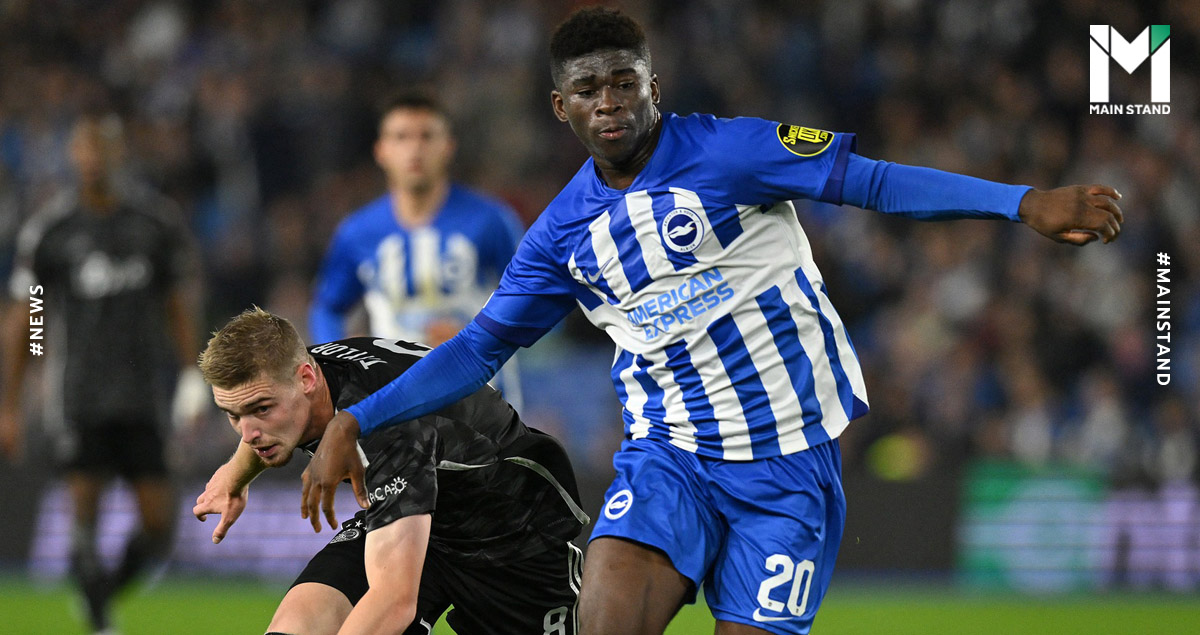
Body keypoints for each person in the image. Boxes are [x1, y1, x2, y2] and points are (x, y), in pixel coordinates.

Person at [300, 7, 1124, 635]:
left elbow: (872, 181)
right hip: (671, 456)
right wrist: (357, 418)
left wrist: (1023, 203)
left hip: (789, 463)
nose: (609, 102)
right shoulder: (561, 236)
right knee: (603, 618)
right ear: (560, 106)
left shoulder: (732, 153)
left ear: (653, 86)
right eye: (587, 89)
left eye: (624, 81)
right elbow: (479, 347)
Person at [192, 307, 587, 635]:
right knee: (297, 627)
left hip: (511, 535)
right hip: (411, 515)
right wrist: (236, 475)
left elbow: (395, 603)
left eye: (261, 410)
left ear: (306, 380)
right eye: (233, 415)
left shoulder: (386, 429)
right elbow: (259, 412)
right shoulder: (298, 371)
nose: (249, 433)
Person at [0, 113, 205, 634]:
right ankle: (98, 620)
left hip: (143, 395)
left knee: (159, 526)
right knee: (83, 516)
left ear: (120, 154)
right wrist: (20, 389)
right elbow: (32, 309)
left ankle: (100, 594)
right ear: (73, 155)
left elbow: (177, 303)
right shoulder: (52, 230)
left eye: (103, 148)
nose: (93, 159)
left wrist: (191, 372)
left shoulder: (154, 224)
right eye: (85, 149)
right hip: (79, 395)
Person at [310, 92, 526, 410]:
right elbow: (327, 308)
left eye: (426, 136)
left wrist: (478, 337)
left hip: (484, 398)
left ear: (448, 146)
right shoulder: (357, 233)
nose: (414, 149)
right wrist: (341, 366)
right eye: (401, 137)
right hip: (396, 402)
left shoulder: (491, 220)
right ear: (381, 151)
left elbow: (533, 297)